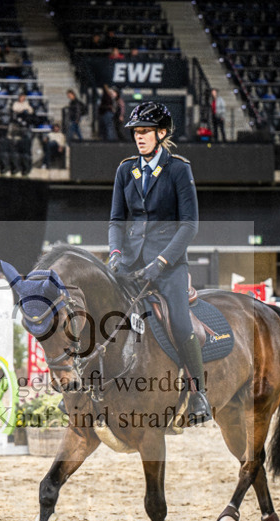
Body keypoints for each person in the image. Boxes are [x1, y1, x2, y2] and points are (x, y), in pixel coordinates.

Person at [107, 101, 210, 421]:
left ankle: (198, 394)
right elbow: (116, 221)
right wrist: (114, 254)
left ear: (161, 133)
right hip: (129, 262)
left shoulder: (180, 169)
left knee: (180, 323)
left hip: (170, 264)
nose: (139, 138)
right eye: (136, 133)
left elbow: (189, 225)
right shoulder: (126, 169)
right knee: (98, 311)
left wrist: (163, 262)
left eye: (145, 132)